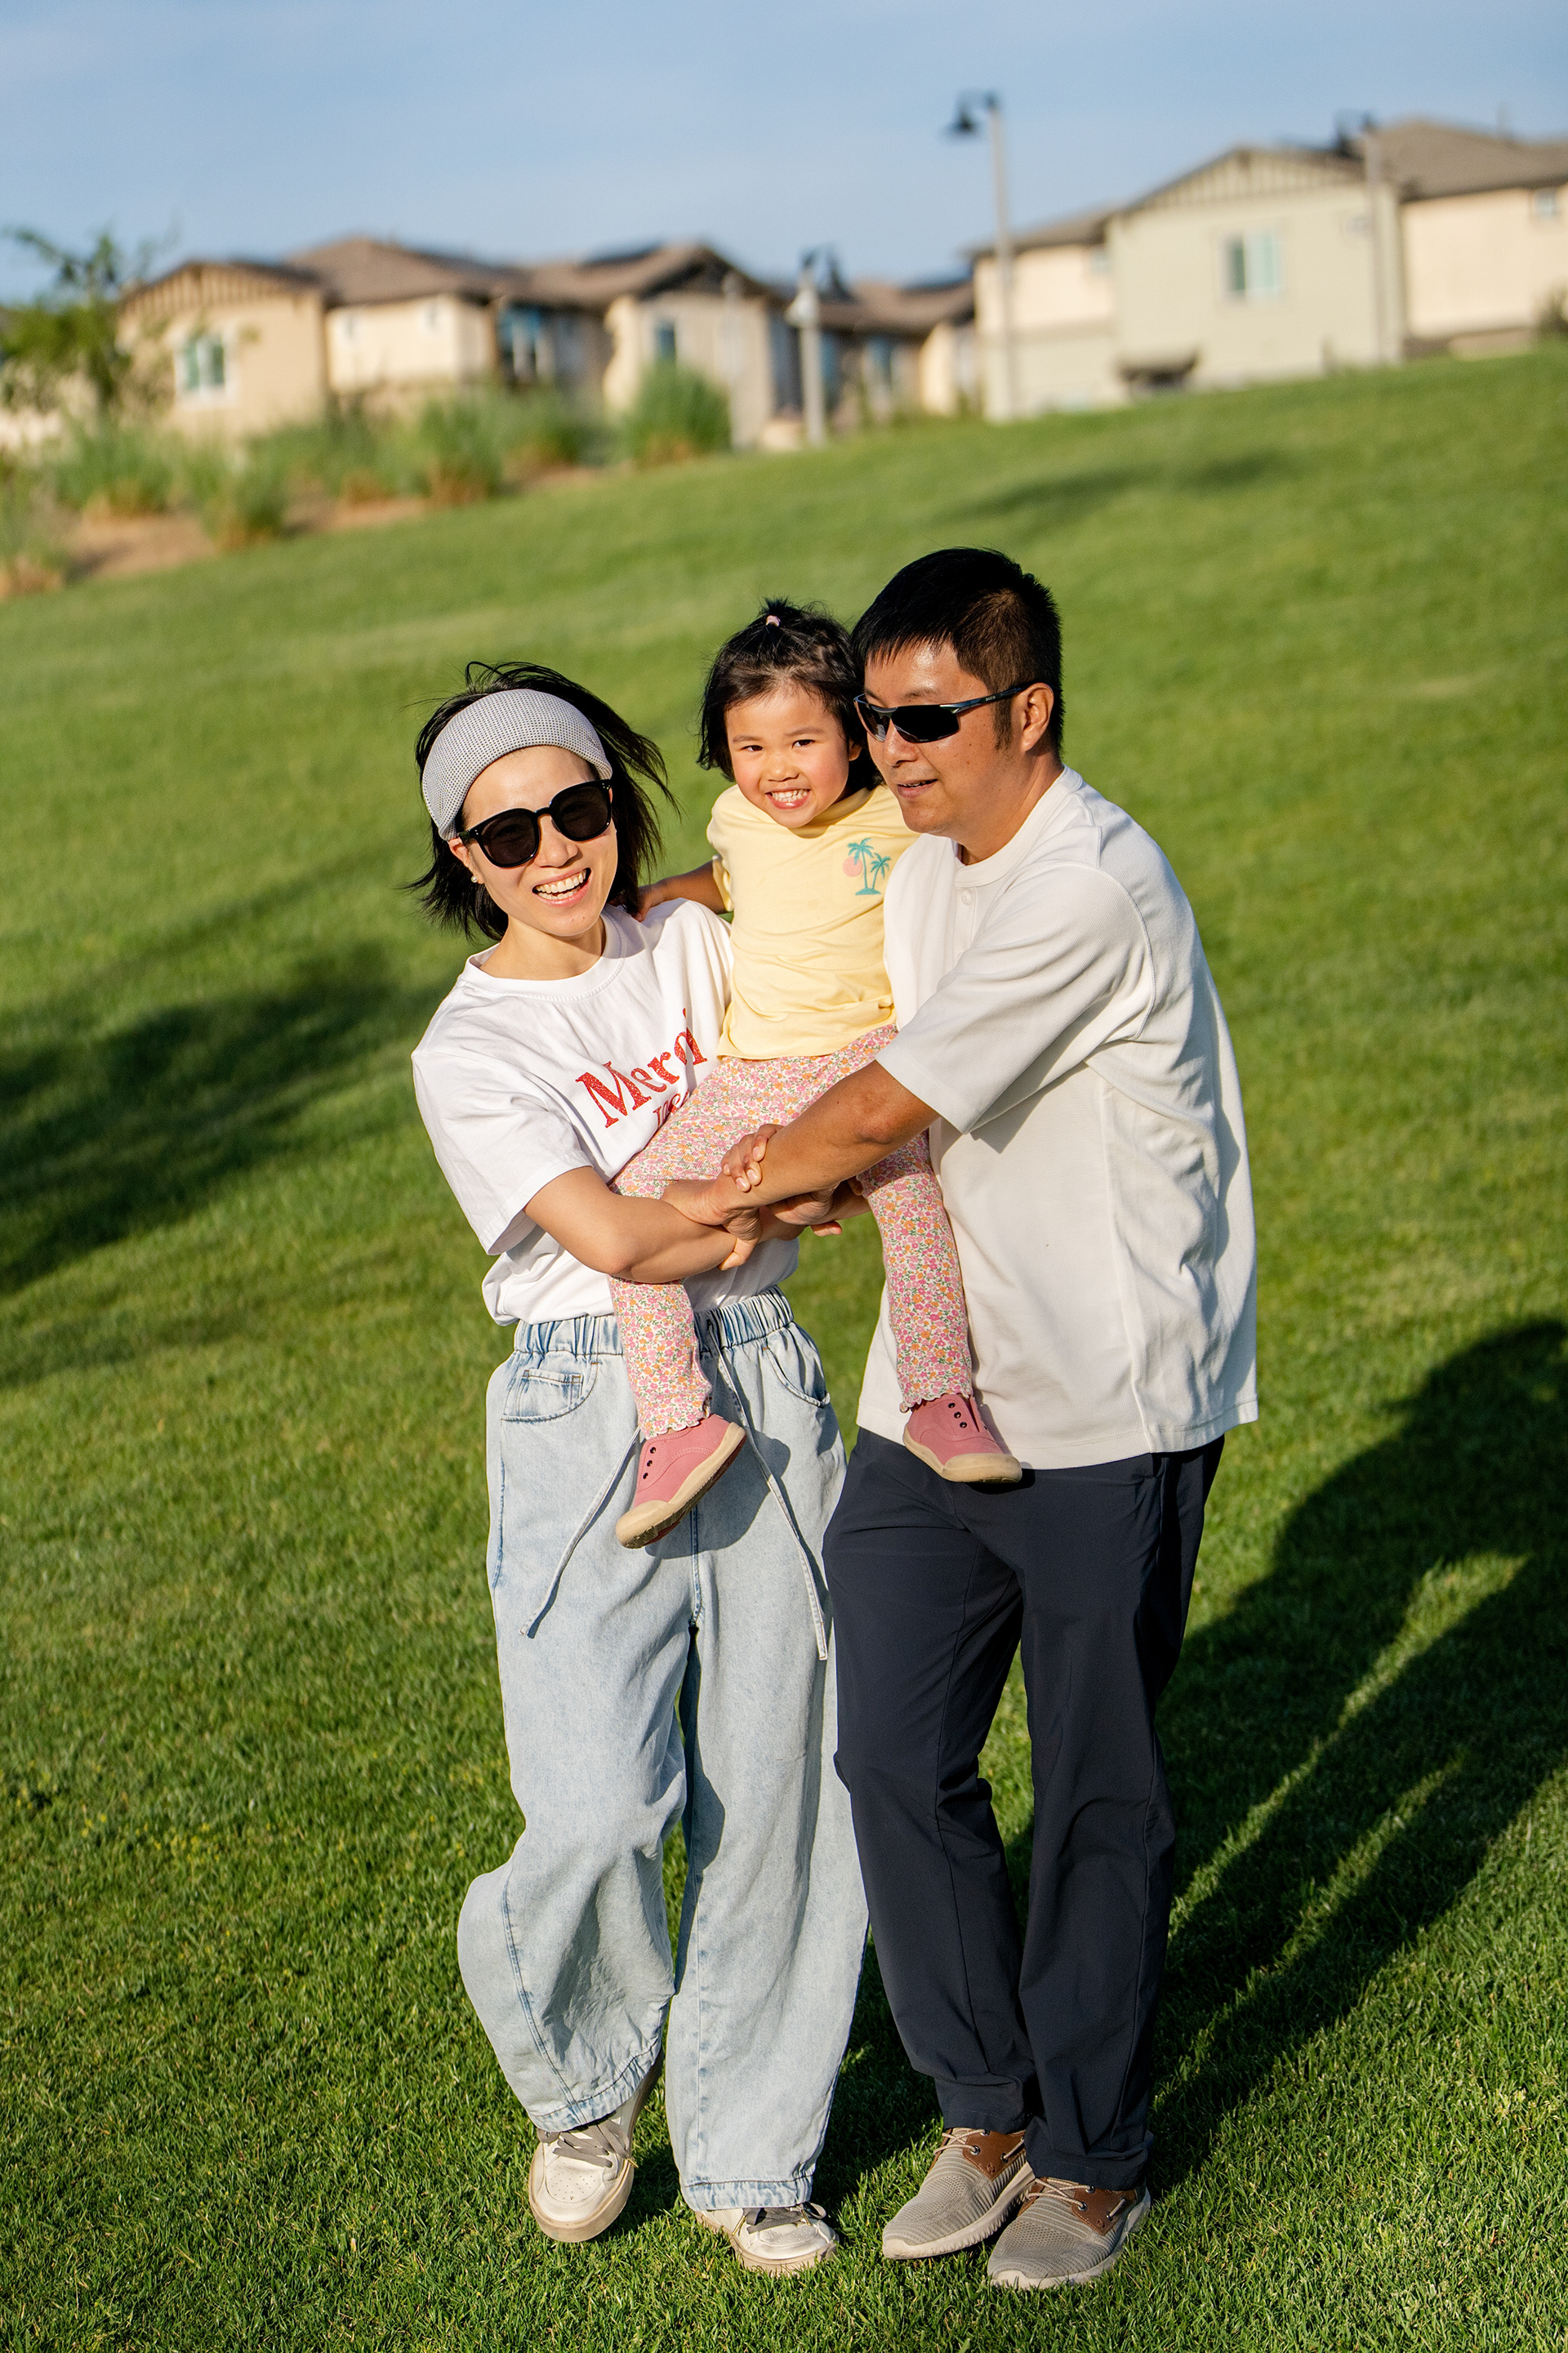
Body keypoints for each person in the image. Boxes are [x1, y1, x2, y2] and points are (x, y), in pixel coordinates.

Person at [662, 549, 1258, 2294]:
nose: (888, 753)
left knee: (1095, 1787)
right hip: (936, 1396)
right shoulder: (920, 862)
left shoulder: (1092, 885)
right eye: (875, 721)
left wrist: (725, 1186)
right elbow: (787, 922)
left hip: (1108, 1397)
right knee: (890, 1753)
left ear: (1029, 710)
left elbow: (883, 1102)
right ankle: (986, 2106)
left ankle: (1091, 2155)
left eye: (924, 722)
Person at [407, 660, 866, 2277]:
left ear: (619, 800)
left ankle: (755, 2155)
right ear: (464, 856)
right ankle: (585, 2081)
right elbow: (608, 1236)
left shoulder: (690, 943)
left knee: (791, 1774)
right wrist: (766, 1198)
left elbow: (811, 921)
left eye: (580, 804)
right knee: (598, 1799)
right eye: (509, 830)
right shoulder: (467, 1050)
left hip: (759, 1369)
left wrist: (776, 1197)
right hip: (581, 1402)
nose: (555, 848)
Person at [609, 599, 1017, 1549]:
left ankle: (939, 1397)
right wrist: (665, 891)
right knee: (633, 1201)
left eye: (803, 741)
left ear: (855, 735)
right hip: (752, 1070)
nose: (778, 769)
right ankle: (677, 1421)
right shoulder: (735, 819)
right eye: (750, 748)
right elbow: (733, 879)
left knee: (913, 1208)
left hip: (866, 1061)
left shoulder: (898, 815)